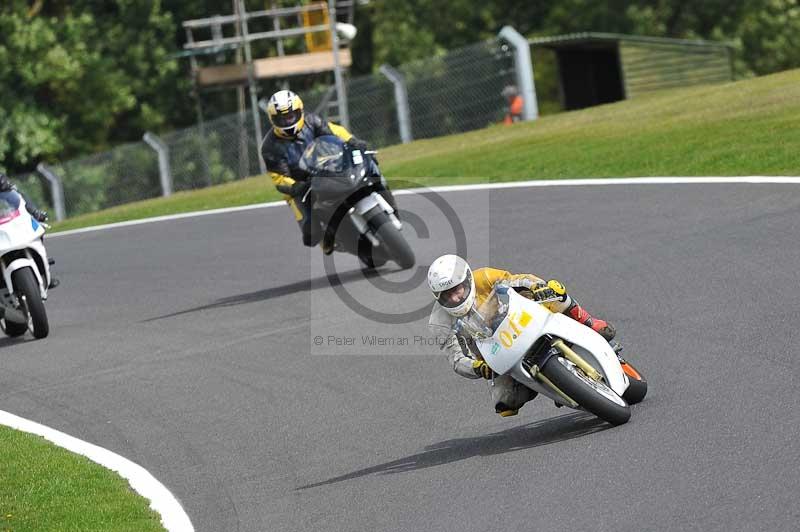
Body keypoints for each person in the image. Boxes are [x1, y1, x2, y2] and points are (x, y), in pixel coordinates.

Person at [427, 254, 615, 417]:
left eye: (456, 289)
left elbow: (517, 280)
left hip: (518, 318)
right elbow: (456, 359)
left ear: (467, 280)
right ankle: (552, 386)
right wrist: (478, 368)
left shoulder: (483, 276)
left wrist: (538, 286)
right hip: (495, 353)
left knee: (555, 290)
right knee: (506, 403)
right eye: (446, 295)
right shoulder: (439, 322)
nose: (454, 298)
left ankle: (587, 321)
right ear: (437, 296)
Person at [260, 89, 396, 254]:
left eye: (290, 115)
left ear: (300, 111)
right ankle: (329, 238)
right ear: (273, 119)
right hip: (302, 186)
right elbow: (279, 177)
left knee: (369, 165)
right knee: (311, 233)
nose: (287, 120)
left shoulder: (311, 120)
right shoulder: (270, 147)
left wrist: (352, 141)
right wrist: (296, 186)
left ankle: (386, 198)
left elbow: (334, 131)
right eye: (281, 118)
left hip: (328, 167)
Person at [0, 172, 59, 289]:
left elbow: (18, 197)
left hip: (7, 218)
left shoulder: (1, 181)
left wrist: (35, 212)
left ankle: (43, 269)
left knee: (36, 228)